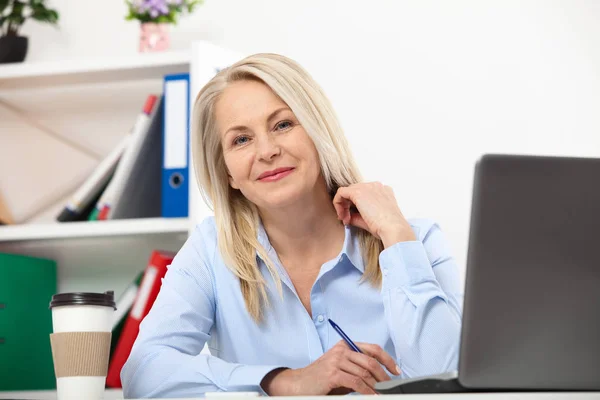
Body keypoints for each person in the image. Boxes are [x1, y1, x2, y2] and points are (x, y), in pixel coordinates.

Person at [121, 53, 463, 398]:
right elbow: (145, 374)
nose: (267, 151)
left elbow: (450, 380)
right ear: (227, 173)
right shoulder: (211, 251)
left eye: (282, 124)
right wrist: (284, 381)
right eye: (241, 139)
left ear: (317, 132)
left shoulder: (415, 241)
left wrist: (396, 235)